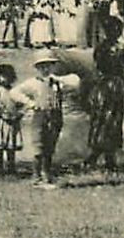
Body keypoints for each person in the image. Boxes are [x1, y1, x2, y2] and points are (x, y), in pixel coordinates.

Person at [9, 51, 81, 187]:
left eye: (48, 65)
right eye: (41, 66)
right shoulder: (33, 83)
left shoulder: (58, 82)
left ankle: (46, 174)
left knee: (50, 147)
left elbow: (76, 82)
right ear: (37, 68)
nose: (45, 69)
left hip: (55, 116)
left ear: (53, 66)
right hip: (40, 116)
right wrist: (30, 103)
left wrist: (58, 79)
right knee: (38, 146)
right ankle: (36, 177)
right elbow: (14, 92)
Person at [86, 15, 124, 174]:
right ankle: (97, 157)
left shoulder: (111, 48)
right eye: (113, 29)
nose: (116, 32)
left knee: (109, 121)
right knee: (106, 120)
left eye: (118, 29)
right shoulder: (111, 49)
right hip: (109, 87)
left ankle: (106, 159)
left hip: (109, 87)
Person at [0, 62, 24, 176]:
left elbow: (21, 105)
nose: (4, 79)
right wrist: (0, 113)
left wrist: (17, 115)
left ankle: (11, 168)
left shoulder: (16, 91)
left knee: (11, 146)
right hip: (0, 122)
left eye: (7, 76)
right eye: (2, 76)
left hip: (12, 122)